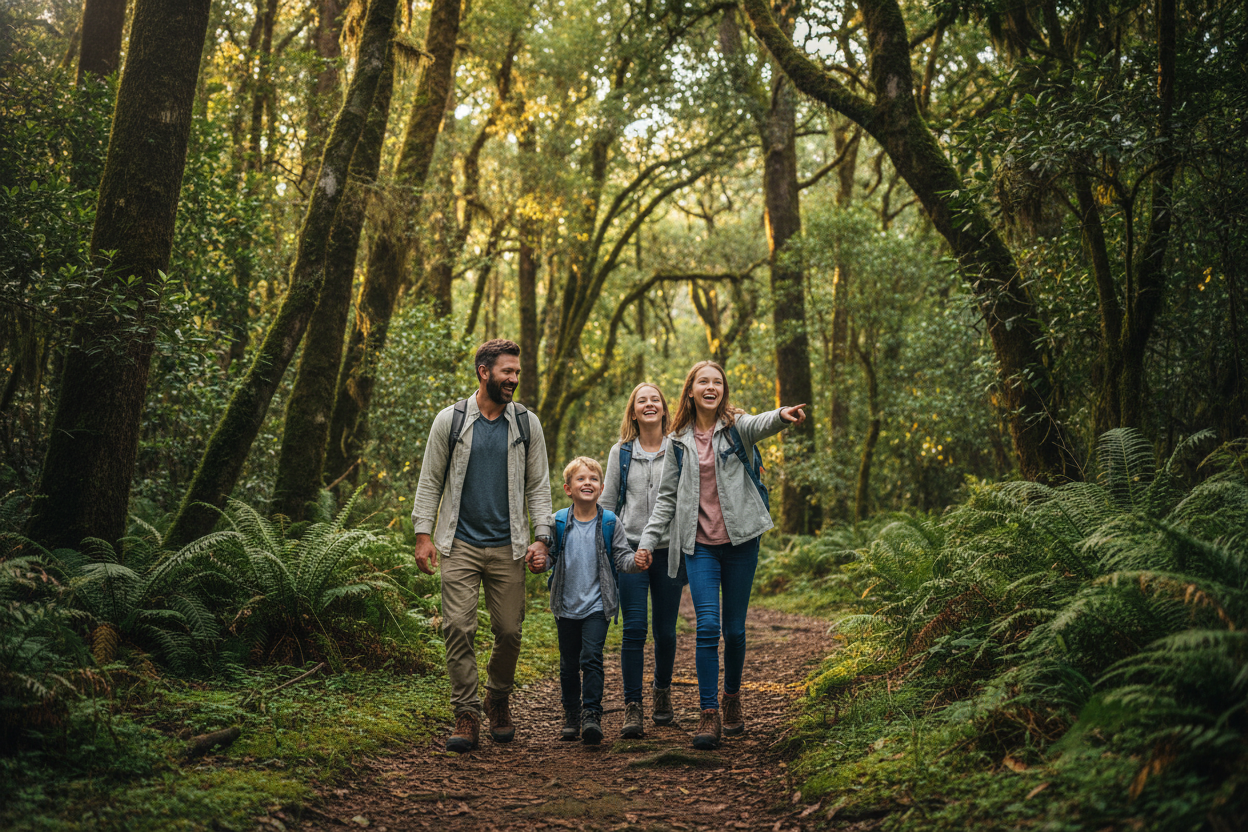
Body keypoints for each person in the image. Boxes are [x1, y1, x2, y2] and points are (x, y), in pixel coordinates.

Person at [636, 360, 807, 750]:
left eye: (717, 382)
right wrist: (647, 541)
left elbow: (762, 423)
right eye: (703, 382)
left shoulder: (737, 426)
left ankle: (732, 698)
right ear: (691, 391)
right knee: (707, 626)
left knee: (734, 629)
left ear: (722, 390)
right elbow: (665, 499)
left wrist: (782, 415)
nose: (711, 387)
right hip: (699, 546)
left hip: (741, 539)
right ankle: (708, 712)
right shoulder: (676, 440)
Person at [411, 339, 554, 753]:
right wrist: (423, 534)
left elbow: (539, 487)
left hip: (509, 545)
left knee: (509, 631)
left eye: (516, 372)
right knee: (458, 627)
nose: (513, 379)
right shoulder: (450, 421)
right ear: (483, 371)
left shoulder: (527, 424)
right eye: (506, 372)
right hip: (458, 542)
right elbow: (430, 480)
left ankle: (498, 696)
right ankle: (467, 713)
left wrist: (542, 538)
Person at [529, 457, 650, 745]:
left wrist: (636, 561)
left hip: (598, 605)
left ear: (602, 487)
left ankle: (591, 715)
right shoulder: (558, 521)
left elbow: (621, 557)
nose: (587, 483)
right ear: (567, 488)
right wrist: (539, 562)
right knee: (568, 664)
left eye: (593, 479)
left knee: (591, 659)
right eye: (581, 479)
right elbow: (550, 557)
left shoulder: (610, 521)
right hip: (565, 606)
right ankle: (571, 714)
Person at [598, 382, 683, 738]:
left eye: (655, 400)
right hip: (629, 550)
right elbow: (606, 503)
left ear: (665, 409)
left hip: (668, 551)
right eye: (641, 401)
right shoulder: (621, 453)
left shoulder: (680, 448)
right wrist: (599, 544)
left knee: (665, 631)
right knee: (634, 630)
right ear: (633, 412)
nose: (649, 405)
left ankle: (662, 694)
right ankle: (632, 706)